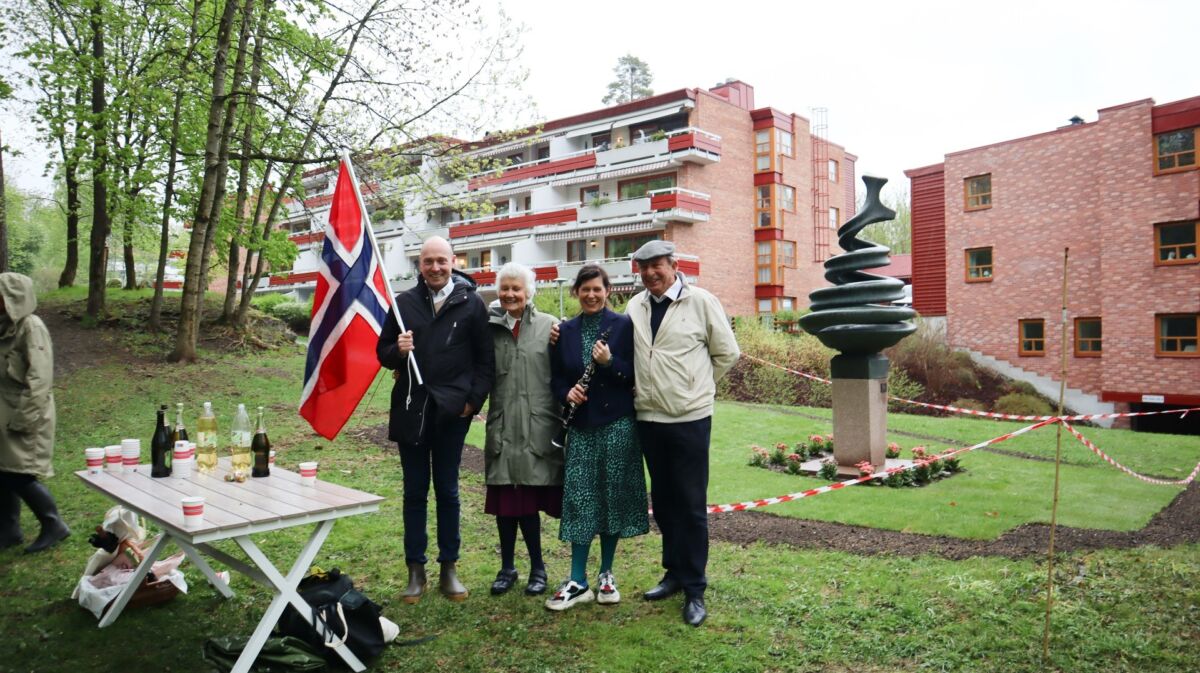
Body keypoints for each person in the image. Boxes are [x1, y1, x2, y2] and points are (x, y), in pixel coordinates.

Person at [627, 240, 739, 627]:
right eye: (643, 268)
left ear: (673, 265)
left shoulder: (701, 301)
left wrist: (698, 389)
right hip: (649, 418)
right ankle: (673, 573)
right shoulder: (635, 305)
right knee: (664, 501)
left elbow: (727, 353)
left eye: (657, 265)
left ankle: (694, 587)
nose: (650, 274)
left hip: (689, 418)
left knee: (690, 505)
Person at [377, 236, 494, 603]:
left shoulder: (472, 304)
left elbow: (485, 361)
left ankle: (449, 567)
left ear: (453, 261)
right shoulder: (402, 304)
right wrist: (398, 350)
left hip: (452, 414)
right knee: (414, 492)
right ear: (420, 265)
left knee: (448, 491)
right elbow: (382, 351)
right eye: (428, 261)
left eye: (442, 261)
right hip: (412, 410)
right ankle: (416, 570)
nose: (436, 268)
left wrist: (471, 403)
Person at [545, 264, 647, 611]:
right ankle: (577, 579)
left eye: (597, 289)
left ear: (608, 291)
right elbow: (556, 377)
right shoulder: (566, 331)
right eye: (585, 289)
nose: (591, 295)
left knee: (610, 497)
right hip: (582, 427)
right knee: (579, 498)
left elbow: (635, 373)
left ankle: (607, 573)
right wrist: (566, 394)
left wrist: (609, 362)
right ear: (577, 292)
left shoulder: (624, 326)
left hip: (618, 425)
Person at [483, 263, 563, 597]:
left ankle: (538, 569)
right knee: (505, 506)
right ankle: (507, 568)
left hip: (536, 429)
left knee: (528, 506)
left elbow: (567, 370)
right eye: (505, 289)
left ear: (529, 292)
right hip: (502, 428)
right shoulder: (487, 330)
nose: (511, 295)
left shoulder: (550, 327)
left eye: (517, 289)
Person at [0, 272, 69, 554]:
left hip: (26, 410)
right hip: (4, 411)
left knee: (20, 474)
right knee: (3, 471)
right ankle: (9, 529)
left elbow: (40, 378)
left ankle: (54, 524)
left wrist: (24, 418)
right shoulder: (5, 326)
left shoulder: (31, 326)